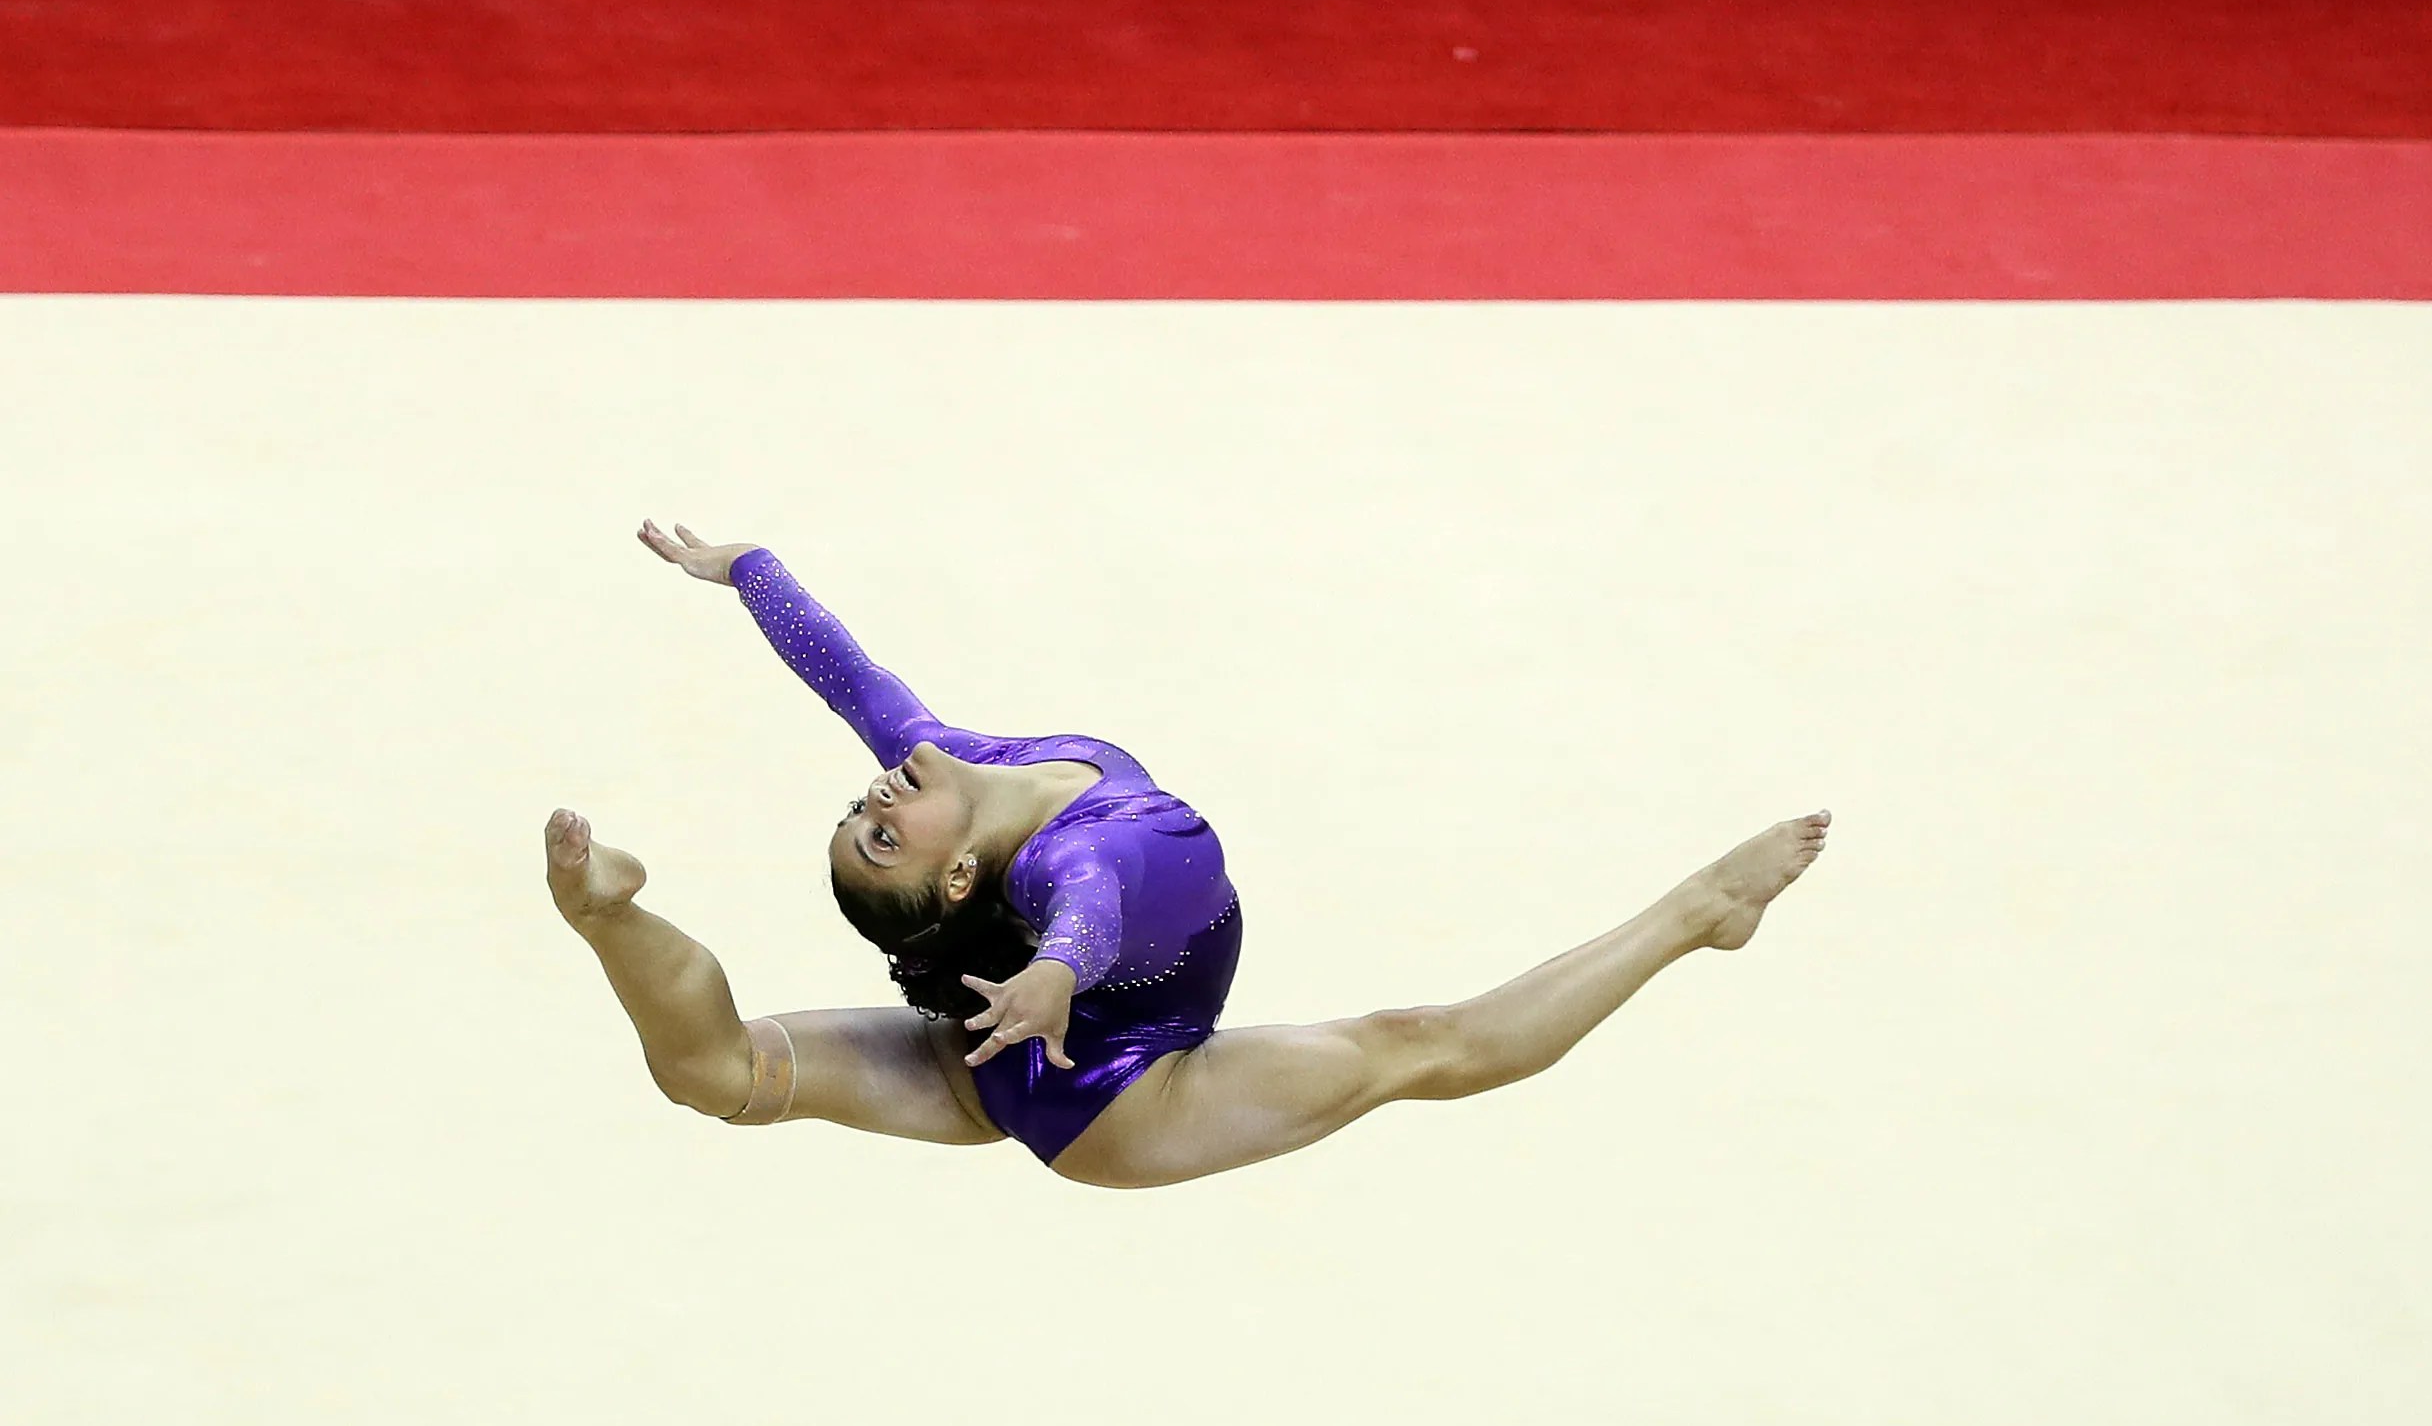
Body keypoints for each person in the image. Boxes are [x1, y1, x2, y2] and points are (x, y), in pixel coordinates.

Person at [543, 520, 1831, 1189]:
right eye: (882, 837)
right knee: (1422, 1045)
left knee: (716, 1073)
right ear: (954, 880)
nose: (877, 796)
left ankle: (607, 919)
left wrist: (747, 568)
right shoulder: (1059, 871)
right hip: (1109, 1093)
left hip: (1002, 1033)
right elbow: (1093, 900)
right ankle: (1703, 910)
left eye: (859, 813)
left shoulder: (949, 760)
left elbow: (848, 674)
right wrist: (1058, 973)